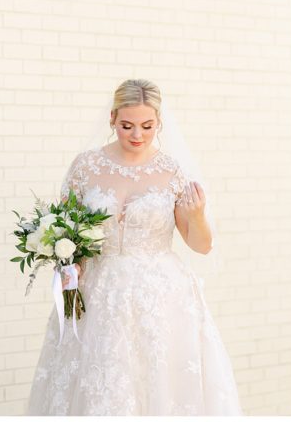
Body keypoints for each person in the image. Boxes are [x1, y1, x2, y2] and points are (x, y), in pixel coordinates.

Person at [27, 79, 241, 415]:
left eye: (147, 126)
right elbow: (66, 231)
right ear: (112, 118)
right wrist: (70, 263)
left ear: (158, 122)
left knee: (157, 384)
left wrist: (197, 215)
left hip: (161, 296)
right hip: (98, 292)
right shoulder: (86, 167)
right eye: (127, 125)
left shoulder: (171, 171)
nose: (137, 135)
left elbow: (201, 245)